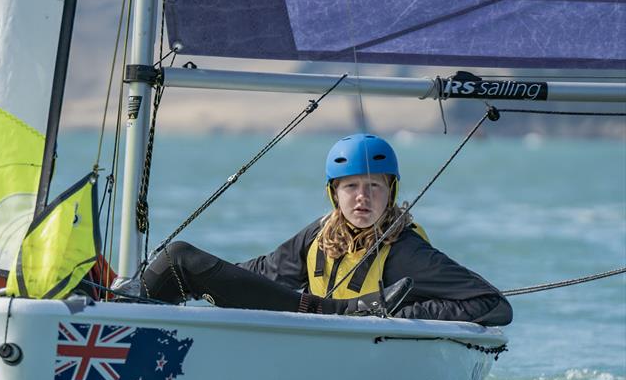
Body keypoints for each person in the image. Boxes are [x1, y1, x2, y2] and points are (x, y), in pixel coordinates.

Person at [139, 133, 512, 326]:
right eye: (351, 187)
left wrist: (399, 316)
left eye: (374, 187)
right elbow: (265, 274)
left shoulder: (406, 251)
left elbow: (494, 305)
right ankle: (120, 305)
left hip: (364, 357)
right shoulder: (318, 236)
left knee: (179, 256)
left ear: (391, 192)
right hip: (314, 343)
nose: (362, 198)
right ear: (334, 194)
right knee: (179, 265)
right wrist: (208, 283)